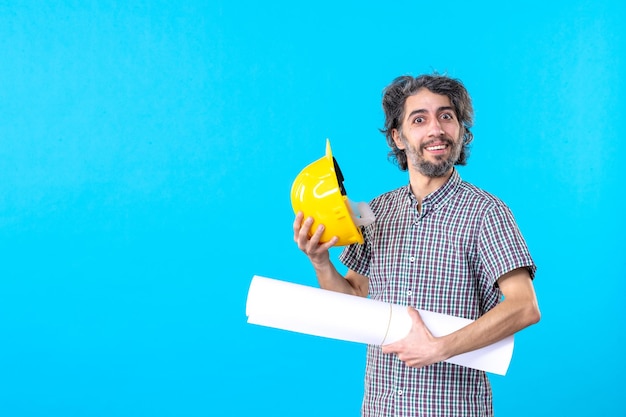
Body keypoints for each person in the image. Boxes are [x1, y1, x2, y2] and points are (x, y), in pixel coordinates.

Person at [293, 73, 540, 417]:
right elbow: (352, 299)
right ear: (397, 137)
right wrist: (320, 262)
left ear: (460, 131)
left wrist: (439, 348)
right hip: (380, 408)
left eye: (446, 116)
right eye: (419, 119)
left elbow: (524, 306)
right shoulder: (378, 212)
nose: (436, 129)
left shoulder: (487, 213)